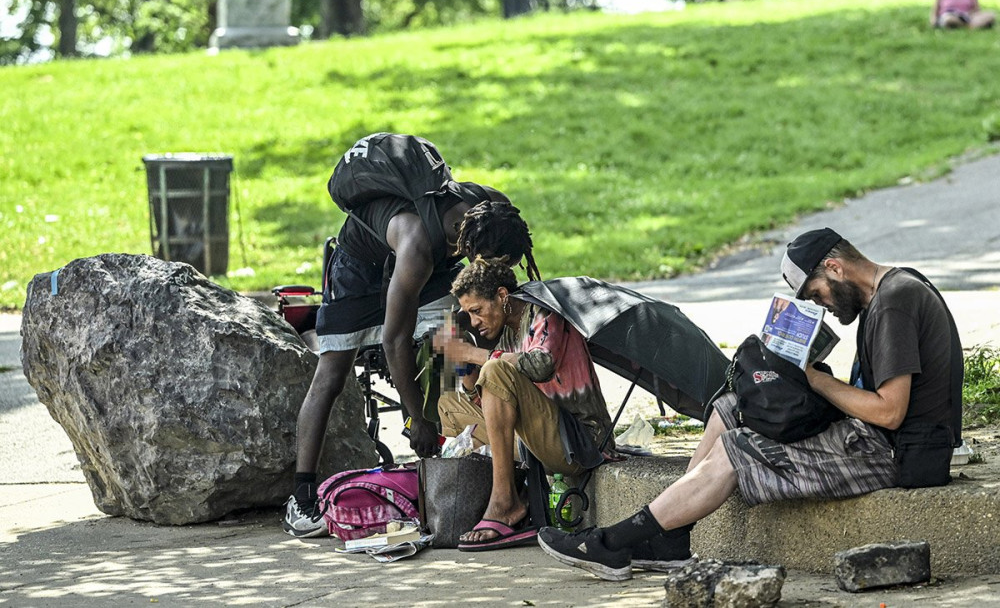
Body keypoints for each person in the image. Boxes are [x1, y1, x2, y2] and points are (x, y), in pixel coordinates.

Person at [538, 228, 963, 581]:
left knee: (736, 447)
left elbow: (889, 412)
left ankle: (613, 543)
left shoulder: (894, 303)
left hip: (895, 452)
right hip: (874, 436)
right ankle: (671, 537)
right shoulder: (888, 293)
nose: (821, 306)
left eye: (816, 294)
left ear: (834, 267)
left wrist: (814, 380)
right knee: (731, 405)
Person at [282, 188, 540, 537]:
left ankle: (449, 448)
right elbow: (394, 339)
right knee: (332, 374)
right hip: (358, 271)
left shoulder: (490, 209)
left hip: (429, 267)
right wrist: (415, 416)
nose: (491, 271)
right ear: (471, 248)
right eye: (490, 263)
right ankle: (301, 496)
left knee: (457, 322)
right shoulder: (418, 242)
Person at [433, 258, 615, 551]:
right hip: (535, 439)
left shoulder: (545, 313)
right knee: (449, 403)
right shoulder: (503, 330)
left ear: (503, 297)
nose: (474, 321)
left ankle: (504, 501)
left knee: (494, 369)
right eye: (468, 313)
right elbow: (495, 404)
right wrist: (464, 370)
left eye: (477, 311)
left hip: (579, 440)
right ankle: (465, 500)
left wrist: (474, 353)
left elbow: (539, 365)